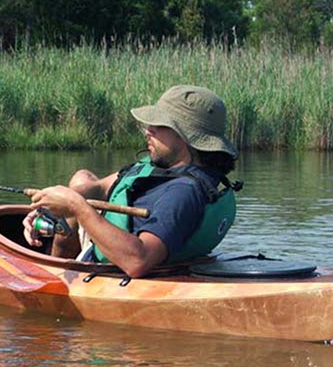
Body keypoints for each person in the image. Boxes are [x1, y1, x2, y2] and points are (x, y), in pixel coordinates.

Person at [23, 85, 241, 278]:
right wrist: (50, 208)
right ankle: (54, 269)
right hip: (129, 238)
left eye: (159, 125)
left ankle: (53, 281)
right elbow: (103, 188)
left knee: (75, 205)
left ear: (185, 136)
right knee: (81, 181)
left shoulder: (182, 193)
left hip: (126, 256)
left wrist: (75, 206)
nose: (148, 130)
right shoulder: (171, 168)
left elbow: (138, 262)